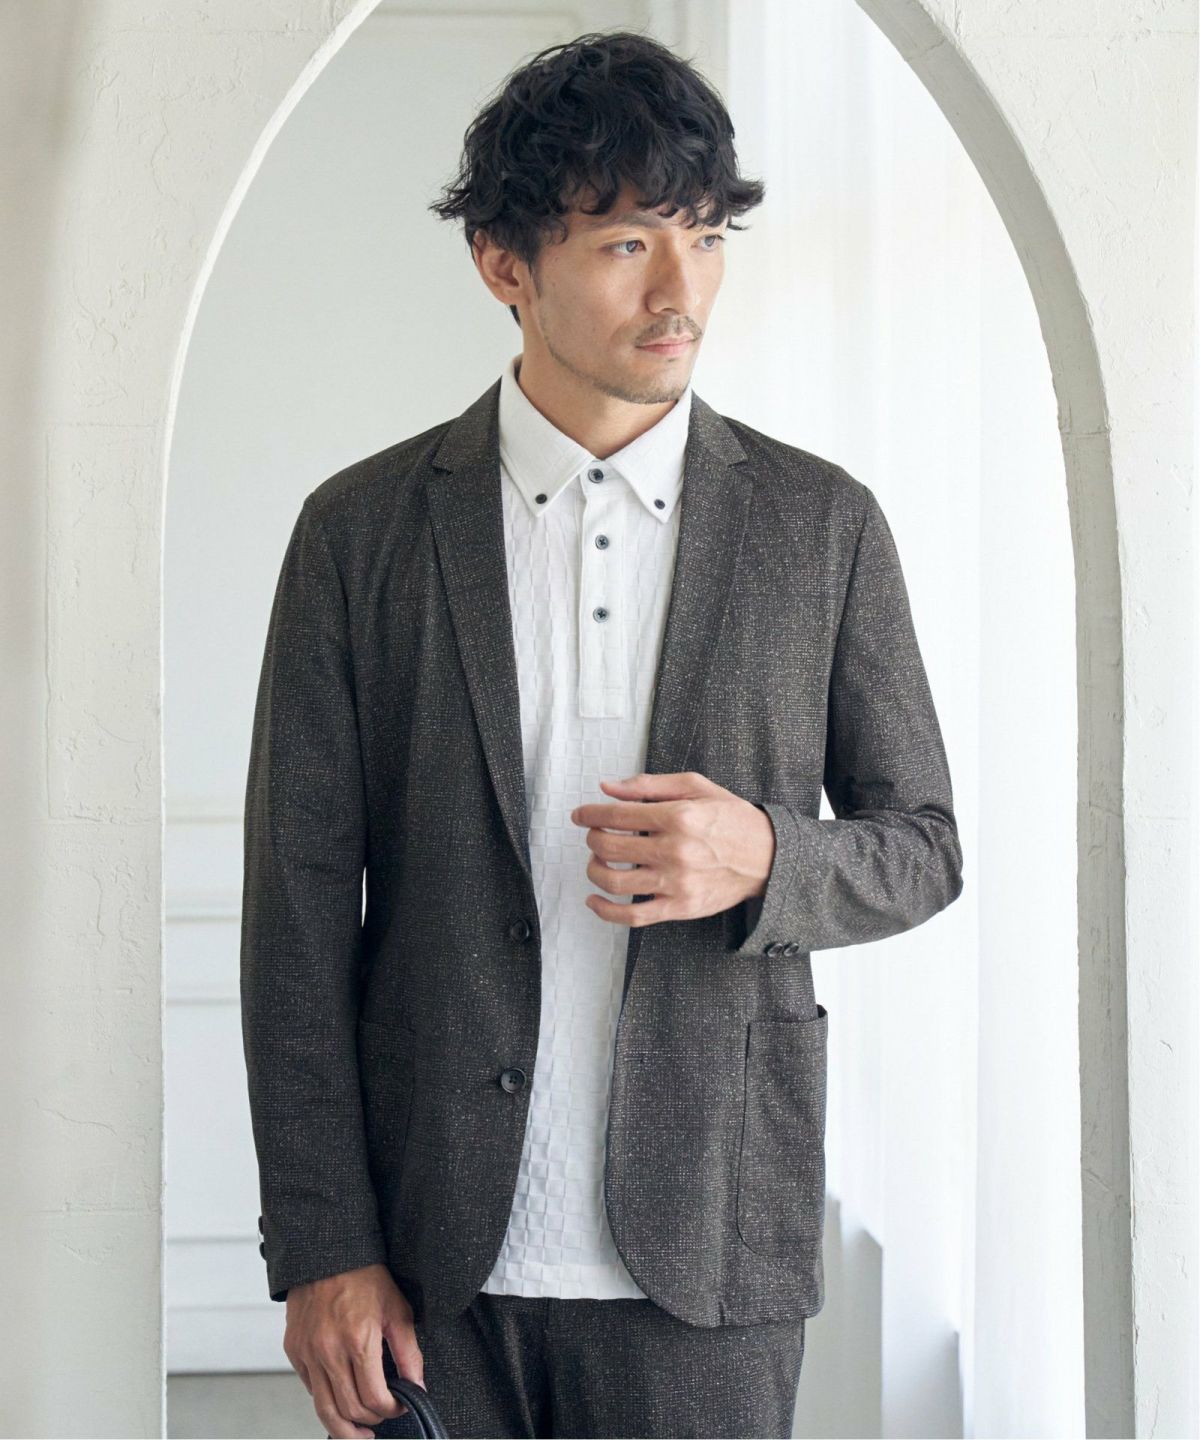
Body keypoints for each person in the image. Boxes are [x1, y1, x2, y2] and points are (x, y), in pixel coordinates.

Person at [240, 28, 964, 1440]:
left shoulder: (821, 526)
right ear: (503, 264)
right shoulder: (359, 534)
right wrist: (323, 1244)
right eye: (630, 243)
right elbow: (295, 918)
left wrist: (766, 856)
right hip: (432, 1265)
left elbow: (924, 847)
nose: (681, 289)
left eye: (707, 237)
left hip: (710, 1254)